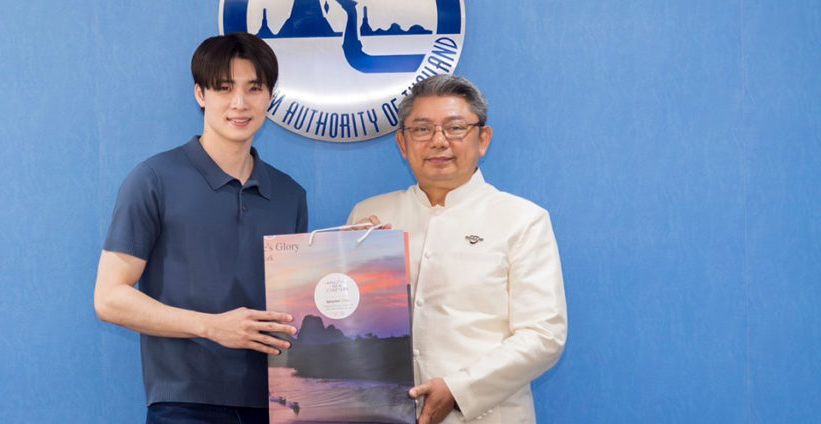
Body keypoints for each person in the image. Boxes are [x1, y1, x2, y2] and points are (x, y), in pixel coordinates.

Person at [94, 33, 307, 424]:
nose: (240, 103)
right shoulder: (154, 179)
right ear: (200, 94)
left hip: (276, 403)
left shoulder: (290, 195)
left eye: (254, 88)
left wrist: (356, 252)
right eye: (224, 88)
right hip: (184, 405)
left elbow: (297, 307)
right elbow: (109, 298)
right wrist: (212, 327)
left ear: (270, 98)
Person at [348, 74, 566, 424]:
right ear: (402, 143)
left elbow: (543, 336)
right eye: (422, 129)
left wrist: (459, 390)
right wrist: (345, 260)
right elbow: (349, 322)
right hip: (384, 415)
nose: (438, 141)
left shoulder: (523, 220)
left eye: (455, 128)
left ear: (483, 139)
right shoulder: (370, 216)